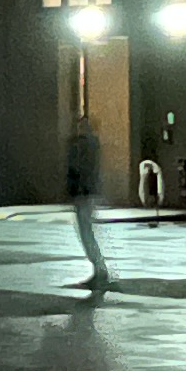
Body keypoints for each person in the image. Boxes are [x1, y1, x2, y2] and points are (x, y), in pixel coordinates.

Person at [63, 101, 115, 300]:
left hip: (83, 193)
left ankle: (100, 269)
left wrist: (79, 189)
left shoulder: (84, 144)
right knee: (85, 232)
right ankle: (99, 268)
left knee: (86, 232)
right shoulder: (83, 143)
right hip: (82, 193)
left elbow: (81, 170)